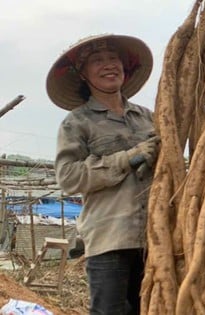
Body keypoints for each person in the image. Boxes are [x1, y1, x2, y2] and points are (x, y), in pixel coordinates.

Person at [47, 34, 159, 315]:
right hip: (110, 238)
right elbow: (69, 177)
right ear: (82, 74)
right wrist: (129, 157)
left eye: (113, 59)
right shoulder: (76, 123)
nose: (108, 65)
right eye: (97, 61)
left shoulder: (148, 118)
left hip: (156, 237)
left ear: (125, 66)